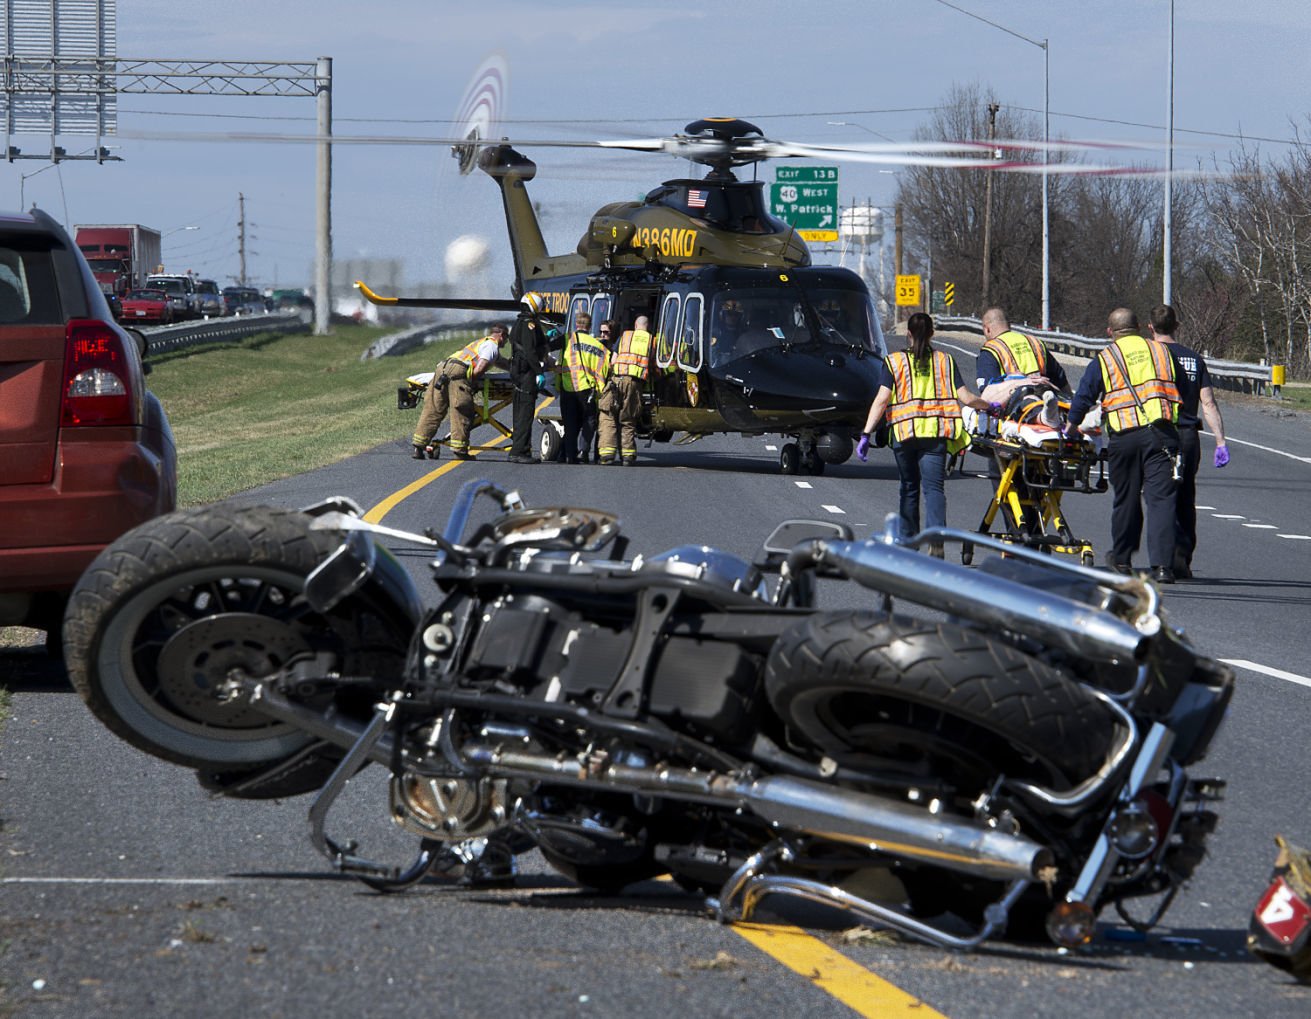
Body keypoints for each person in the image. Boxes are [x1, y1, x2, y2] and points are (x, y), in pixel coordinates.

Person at [856, 312, 998, 557]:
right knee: (934, 489)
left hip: (904, 435)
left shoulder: (894, 362)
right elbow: (966, 398)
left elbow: (881, 400)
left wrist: (866, 434)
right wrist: (989, 406)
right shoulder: (945, 361)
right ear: (932, 333)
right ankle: (936, 541)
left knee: (909, 487)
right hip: (936, 434)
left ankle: (909, 543)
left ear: (908, 334)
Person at [1065, 307, 1182, 583]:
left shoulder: (1105, 359)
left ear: (1110, 332)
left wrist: (1071, 427)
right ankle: (1163, 567)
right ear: (1140, 327)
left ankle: (1122, 559)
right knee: (1161, 501)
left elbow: (1084, 396)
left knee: (1126, 500)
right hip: (1162, 435)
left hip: (1125, 438)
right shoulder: (1162, 352)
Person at [1148, 303, 1230, 579]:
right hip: (1188, 436)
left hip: (1158, 433)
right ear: (1177, 326)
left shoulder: (1150, 357)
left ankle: (1163, 558)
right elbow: (1208, 402)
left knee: (1160, 496)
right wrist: (1220, 441)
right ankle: (1183, 554)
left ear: (1150, 328)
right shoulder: (1194, 359)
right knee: (1186, 496)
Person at [411, 323, 508, 461]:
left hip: (442, 369)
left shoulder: (480, 343)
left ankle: (418, 447)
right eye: (507, 338)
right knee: (461, 411)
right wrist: (470, 383)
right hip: (458, 373)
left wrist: (517, 367)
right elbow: (480, 369)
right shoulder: (492, 346)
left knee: (433, 409)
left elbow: (502, 363)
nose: (506, 341)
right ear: (502, 335)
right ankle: (460, 451)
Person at [597, 314, 653, 466]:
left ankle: (607, 454)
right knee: (628, 418)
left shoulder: (625, 336)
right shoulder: (652, 341)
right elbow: (654, 366)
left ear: (635, 326)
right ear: (647, 327)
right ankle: (627, 456)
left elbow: (613, 361)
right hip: (635, 383)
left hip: (616, 379)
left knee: (608, 414)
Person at [555, 311, 609, 464]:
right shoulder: (599, 346)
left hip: (568, 387)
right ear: (590, 326)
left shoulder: (567, 338)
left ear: (576, 324)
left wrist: (551, 367)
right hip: (588, 389)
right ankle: (583, 451)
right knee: (589, 421)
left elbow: (545, 347)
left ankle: (568, 456)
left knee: (570, 424)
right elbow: (603, 370)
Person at [506, 292, 553, 465]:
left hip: (519, 371)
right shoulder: (529, 324)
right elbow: (530, 351)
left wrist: (546, 339)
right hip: (526, 374)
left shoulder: (519, 322)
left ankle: (520, 448)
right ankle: (519, 451)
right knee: (525, 413)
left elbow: (525, 344)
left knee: (520, 412)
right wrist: (539, 371)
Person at [976, 306, 1069, 391]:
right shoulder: (1034, 342)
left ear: (987, 329)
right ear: (1009, 325)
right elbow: (1061, 380)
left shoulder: (990, 350)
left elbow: (988, 391)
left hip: (1016, 404)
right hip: (1044, 394)